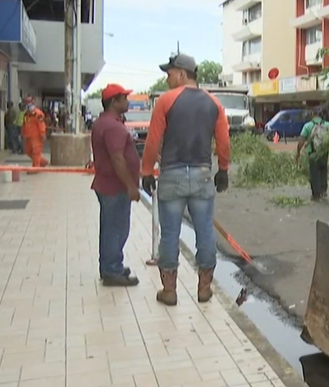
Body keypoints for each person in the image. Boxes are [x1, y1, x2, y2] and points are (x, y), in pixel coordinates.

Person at [140, 53, 230, 306]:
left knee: (169, 235)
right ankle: (204, 289)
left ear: (181, 73)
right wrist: (223, 169)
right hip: (202, 176)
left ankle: (169, 291)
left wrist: (146, 170)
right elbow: (223, 141)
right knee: (205, 233)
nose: (167, 79)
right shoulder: (214, 103)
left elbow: (153, 141)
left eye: (169, 74)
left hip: (172, 175)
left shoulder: (165, 101)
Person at [91, 84, 141, 287]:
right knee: (116, 228)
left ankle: (111, 266)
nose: (128, 102)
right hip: (115, 186)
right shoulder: (112, 126)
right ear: (114, 102)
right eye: (124, 98)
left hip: (108, 184)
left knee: (111, 227)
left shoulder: (106, 122)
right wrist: (131, 186)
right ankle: (112, 270)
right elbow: (117, 158)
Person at [296, 108, 329, 201]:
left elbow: (301, 140)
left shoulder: (308, 126)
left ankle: (316, 194)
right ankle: (323, 190)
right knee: (323, 170)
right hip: (324, 153)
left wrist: (298, 152)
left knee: (314, 173)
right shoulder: (328, 125)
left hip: (313, 153)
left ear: (313, 114)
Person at [22, 97, 49, 170]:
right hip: (28, 137)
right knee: (28, 151)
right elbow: (24, 125)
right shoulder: (26, 115)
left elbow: (41, 125)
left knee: (36, 152)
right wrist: (23, 134)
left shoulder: (38, 114)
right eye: (26, 103)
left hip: (37, 137)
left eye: (29, 102)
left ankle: (35, 168)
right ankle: (42, 162)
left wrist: (43, 134)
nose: (27, 105)